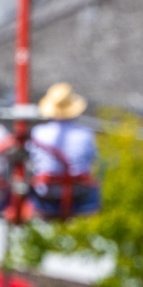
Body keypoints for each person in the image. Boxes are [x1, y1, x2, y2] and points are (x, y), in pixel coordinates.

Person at [27, 81, 100, 217]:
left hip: (46, 193)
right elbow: (92, 159)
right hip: (79, 192)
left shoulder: (38, 132)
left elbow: (31, 159)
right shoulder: (85, 133)